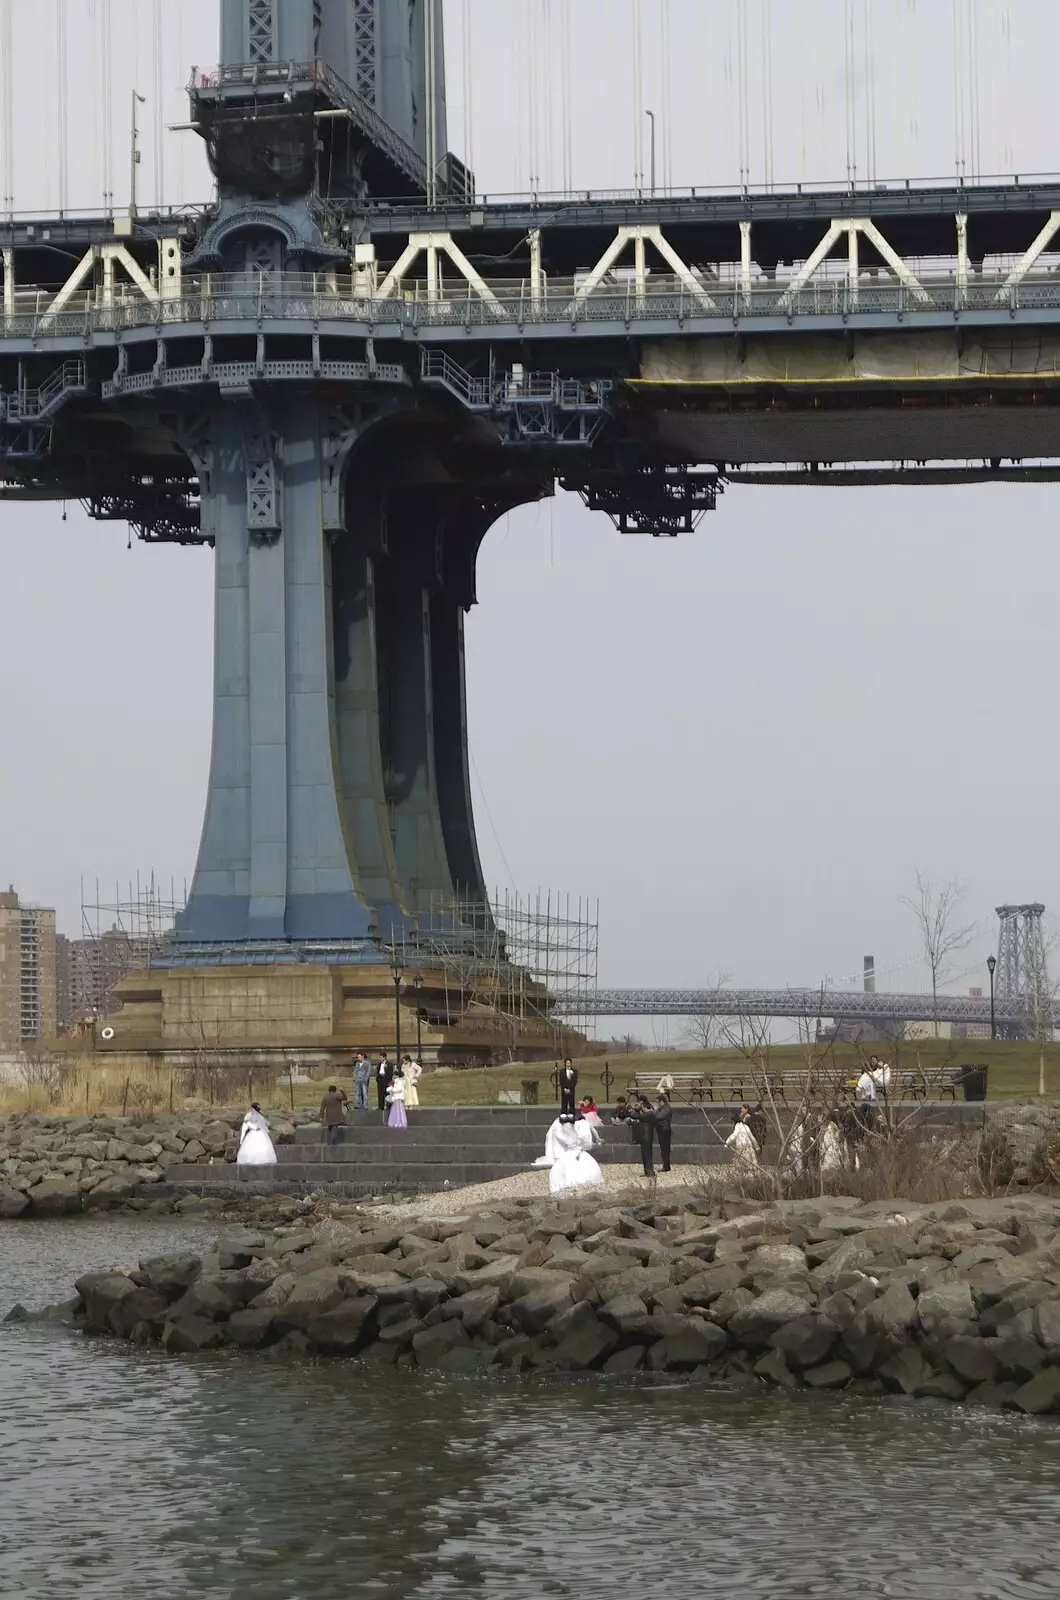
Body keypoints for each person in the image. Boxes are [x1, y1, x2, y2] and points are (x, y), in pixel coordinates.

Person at [547, 1114, 604, 1195]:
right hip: (576, 1149)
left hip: (572, 1150)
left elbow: (561, 1138)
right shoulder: (575, 1128)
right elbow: (580, 1137)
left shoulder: (562, 1130)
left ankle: (570, 1181)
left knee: (566, 1166)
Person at [237, 1102, 277, 1166]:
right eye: (257, 1106)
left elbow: (264, 1122)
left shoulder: (260, 1115)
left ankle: (263, 1158)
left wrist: (267, 1123)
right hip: (254, 1132)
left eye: (259, 1106)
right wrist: (254, 1127)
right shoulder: (250, 1114)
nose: (259, 1107)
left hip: (262, 1132)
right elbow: (247, 1122)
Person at [631, 1094, 657, 1178]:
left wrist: (638, 1110)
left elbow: (638, 1116)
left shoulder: (650, 1113)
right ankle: (647, 1170)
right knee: (645, 1154)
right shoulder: (648, 1113)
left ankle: (650, 1171)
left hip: (647, 1136)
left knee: (647, 1154)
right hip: (644, 1135)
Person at [653, 1093, 673, 1173]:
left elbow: (658, 1117)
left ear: (662, 1101)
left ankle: (666, 1166)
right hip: (661, 1129)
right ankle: (665, 1165)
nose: (657, 1104)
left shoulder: (666, 1108)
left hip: (665, 1129)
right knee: (663, 1148)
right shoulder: (663, 1108)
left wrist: (656, 1110)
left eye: (658, 1102)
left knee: (665, 1148)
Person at [386, 1063, 408, 1129]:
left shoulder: (400, 1082)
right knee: (395, 1112)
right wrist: (389, 1089)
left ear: (397, 1075)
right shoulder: (395, 1082)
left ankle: (399, 1122)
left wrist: (392, 1089)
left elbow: (399, 1089)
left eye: (394, 1075)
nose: (393, 1076)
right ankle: (395, 1122)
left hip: (399, 1098)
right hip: (395, 1098)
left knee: (399, 1112)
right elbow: (390, 1088)